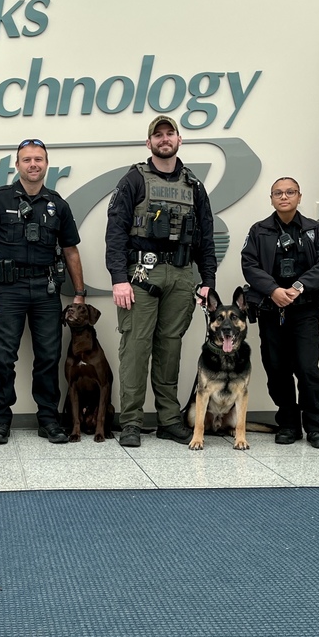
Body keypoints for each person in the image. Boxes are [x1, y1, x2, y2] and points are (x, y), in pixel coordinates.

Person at [105, 114, 217, 447]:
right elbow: (116, 233)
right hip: (140, 275)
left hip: (182, 276)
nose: (164, 138)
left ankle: (169, 420)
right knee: (136, 350)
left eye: (170, 134)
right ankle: (131, 423)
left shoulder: (194, 185)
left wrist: (207, 279)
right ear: (149, 142)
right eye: (158, 135)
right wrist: (118, 279)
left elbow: (206, 236)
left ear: (179, 140)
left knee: (170, 350)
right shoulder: (133, 181)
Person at [0, 138, 87, 445]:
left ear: (46, 164)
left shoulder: (58, 204)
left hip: (46, 289)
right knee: (3, 358)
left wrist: (79, 293)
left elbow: (70, 251)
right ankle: (0, 420)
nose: (33, 164)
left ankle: (48, 419)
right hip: (6, 289)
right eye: (27, 159)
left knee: (49, 356)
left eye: (39, 159)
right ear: (18, 164)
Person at [240, 177, 319, 449]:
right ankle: (288, 424)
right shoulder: (259, 231)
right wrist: (273, 290)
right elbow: (249, 265)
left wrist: (297, 287)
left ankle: (316, 427)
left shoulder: (315, 230)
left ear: (299, 196)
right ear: (271, 199)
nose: (284, 197)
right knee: (277, 369)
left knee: (307, 369)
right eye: (278, 193)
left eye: (290, 192)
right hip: (271, 310)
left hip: (304, 310)